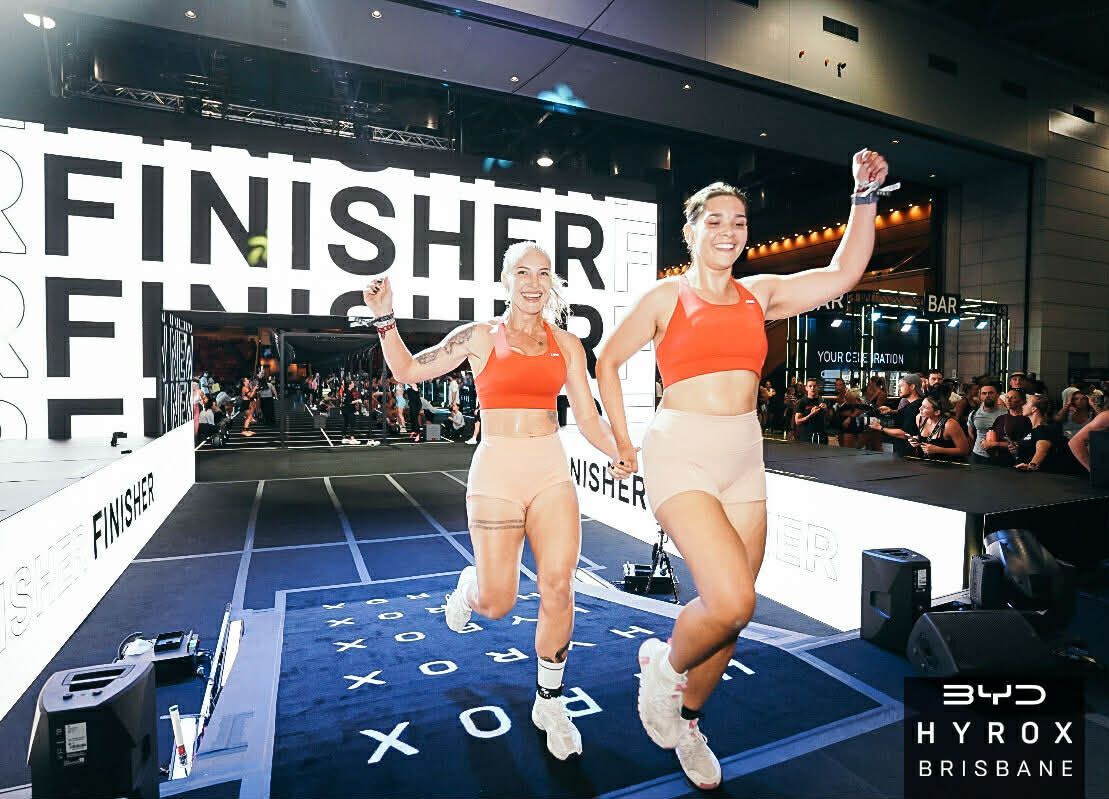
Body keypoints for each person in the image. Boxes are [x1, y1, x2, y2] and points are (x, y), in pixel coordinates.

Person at [596, 149, 890, 790]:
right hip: (680, 448)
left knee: (733, 613)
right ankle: (663, 668)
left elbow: (844, 272)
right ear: (692, 229)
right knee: (731, 598)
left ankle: (691, 722)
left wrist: (862, 198)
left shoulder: (762, 294)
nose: (728, 231)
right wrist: (622, 439)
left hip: (744, 453)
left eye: (739, 221)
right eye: (715, 220)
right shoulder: (663, 296)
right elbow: (607, 362)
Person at [363, 240, 632, 760]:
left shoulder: (568, 345)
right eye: (523, 272)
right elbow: (409, 372)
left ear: (552, 282)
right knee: (499, 603)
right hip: (497, 472)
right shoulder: (480, 336)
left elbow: (588, 417)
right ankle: (469, 591)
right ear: (505, 280)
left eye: (543, 273)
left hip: (550, 469)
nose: (534, 282)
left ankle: (550, 702)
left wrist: (621, 448)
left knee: (558, 584)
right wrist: (384, 318)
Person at [1014, 394, 1080, 474]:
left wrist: (1031, 466)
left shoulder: (1043, 430)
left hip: (1042, 477)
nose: (1023, 405)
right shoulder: (1031, 430)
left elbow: (1042, 451)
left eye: (1026, 403)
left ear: (1034, 409)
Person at [871, 374, 923, 455]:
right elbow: (903, 413)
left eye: (902, 386)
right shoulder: (913, 404)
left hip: (909, 453)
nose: (899, 389)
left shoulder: (914, 407)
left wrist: (880, 428)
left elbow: (904, 434)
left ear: (912, 386)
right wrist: (891, 411)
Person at [910, 391, 970, 461]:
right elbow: (925, 441)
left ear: (937, 412)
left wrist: (938, 450)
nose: (919, 408)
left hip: (948, 465)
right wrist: (916, 440)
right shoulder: (919, 418)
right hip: (927, 464)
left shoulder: (950, 425)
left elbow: (965, 451)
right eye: (921, 405)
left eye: (924, 407)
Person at [982, 388, 1031, 467]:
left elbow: (1022, 443)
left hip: (1015, 462)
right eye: (1007, 397)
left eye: (1013, 398)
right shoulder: (1001, 418)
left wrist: (995, 444)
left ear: (1022, 401)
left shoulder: (1026, 420)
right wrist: (985, 442)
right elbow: (991, 435)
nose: (1008, 400)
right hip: (997, 461)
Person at [967, 382, 1007, 465]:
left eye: (991, 393)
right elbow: (970, 432)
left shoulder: (1006, 413)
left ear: (998, 394)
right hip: (977, 455)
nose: (987, 396)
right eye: (984, 393)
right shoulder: (974, 413)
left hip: (999, 456)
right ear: (980, 396)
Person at [793, 378, 829, 445]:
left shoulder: (823, 401)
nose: (812, 388)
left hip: (821, 437)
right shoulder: (802, 402)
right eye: (810, 386)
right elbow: (797, 421)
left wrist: (826, 410)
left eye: (814, 386)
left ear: (818, 387)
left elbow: (829, 418)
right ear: (806, 388)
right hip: (806, 437)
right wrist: (811, 414)